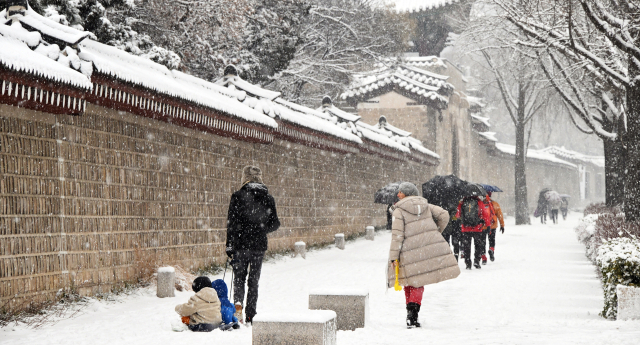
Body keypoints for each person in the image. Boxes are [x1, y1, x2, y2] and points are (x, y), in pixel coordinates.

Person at [387, 182, 460, 328]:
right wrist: (434, 232)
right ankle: (413, 314)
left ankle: (410, 313)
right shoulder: (426, 205)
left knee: (408, 280)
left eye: (400, 192)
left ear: (406, 193)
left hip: (407, 250)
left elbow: (397, 236)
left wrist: (394, 257)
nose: (398, 194)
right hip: (424, 249)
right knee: (418, 282)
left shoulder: (399, 210)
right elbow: (444, 215)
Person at [226, 165, 280, 324]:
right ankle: (251, 314)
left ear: (244, 177)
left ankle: (238, 311)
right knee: (253, 281)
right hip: (258, 245)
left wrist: (229, 245)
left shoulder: (237, 196)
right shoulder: (268, 198)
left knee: (239, 279)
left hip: (240, 244)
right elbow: (275, 223)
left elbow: (231, 223)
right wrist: (261, 228)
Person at [456, 194, 491, 270]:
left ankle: (468, 263)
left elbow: (458, 215)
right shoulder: (479, 202)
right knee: (478, 245)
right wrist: (488, 225)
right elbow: (485, 214)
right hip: (477, 228)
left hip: (465, 228)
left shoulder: (462, 202)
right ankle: (477, 261)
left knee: (466, 247)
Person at [483, 192, 504, 262]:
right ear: (490, 195)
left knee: (482, 242)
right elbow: (500, 215)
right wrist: (502, 225)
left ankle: (483, 257)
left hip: (483, 226)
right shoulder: (495, 204)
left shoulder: (480, 204)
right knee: (492, 240)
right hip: (492, 225)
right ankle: (491, 249)